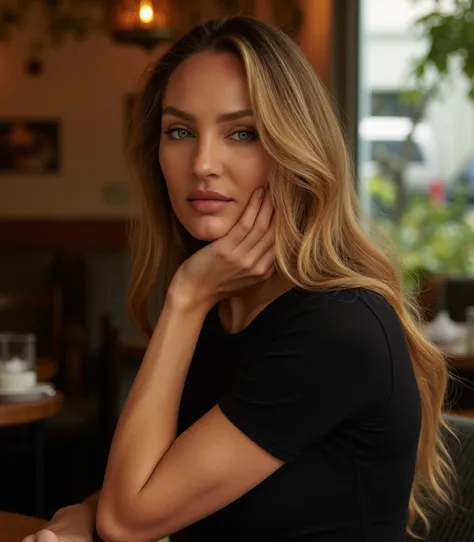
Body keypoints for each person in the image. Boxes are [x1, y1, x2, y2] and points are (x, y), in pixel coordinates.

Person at [24, 15, 453, 542]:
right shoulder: (226, 303)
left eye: (242, 133)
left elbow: (129, 519)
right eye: (179, 131)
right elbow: (155, 481)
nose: (203, 163)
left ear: (294, 152)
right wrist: (81, 513)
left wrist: (185, 297)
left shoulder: (337, 328)